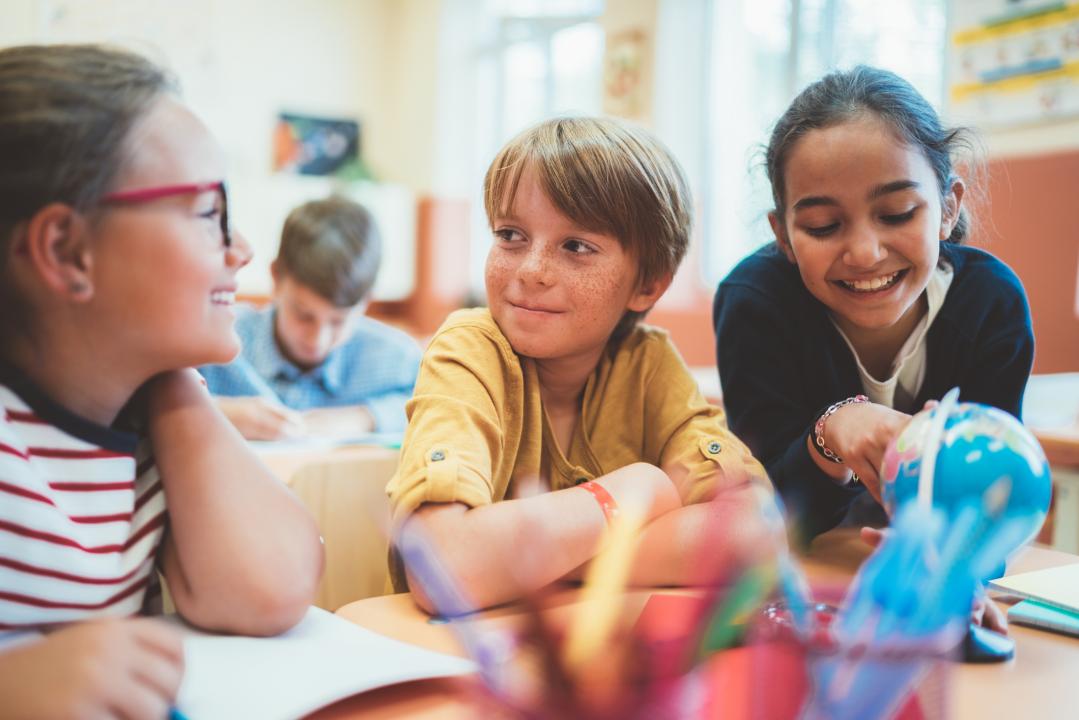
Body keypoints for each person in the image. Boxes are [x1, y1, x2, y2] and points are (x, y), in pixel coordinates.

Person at [0, 44, 323, 717]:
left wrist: (176, 383)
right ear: (65, 250)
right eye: (209, 214)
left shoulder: (148, 417)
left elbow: (271, 588)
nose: (241, 250)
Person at [387, 116, 776, 613]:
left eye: (576, 246)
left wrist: (516, 565)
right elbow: (441, 567)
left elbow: (754, 536)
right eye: (510, 235)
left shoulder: (648, 363)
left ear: (648, 284)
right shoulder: (469, 350)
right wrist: (638, 490)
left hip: (588, 664)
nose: (531, 271)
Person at [713, 66, 1034, 547]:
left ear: (948, 208)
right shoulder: (755, 303)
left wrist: (950, 559)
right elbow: (763, 513)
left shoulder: (990, 303)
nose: (865, 253)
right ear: (783, 236)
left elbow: (995, 498)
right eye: (823, 225)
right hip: (804, 576)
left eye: (897, 213)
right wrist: (829, 435)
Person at [200, 196, 422, 440]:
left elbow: (439, 407)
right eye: (304, 315)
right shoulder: (216, 339)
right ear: (276, 278)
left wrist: (366, 417)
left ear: (366, 302)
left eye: (338, 321)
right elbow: (153, 399)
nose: (318, 339)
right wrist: (218, 413)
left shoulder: (396, 359)